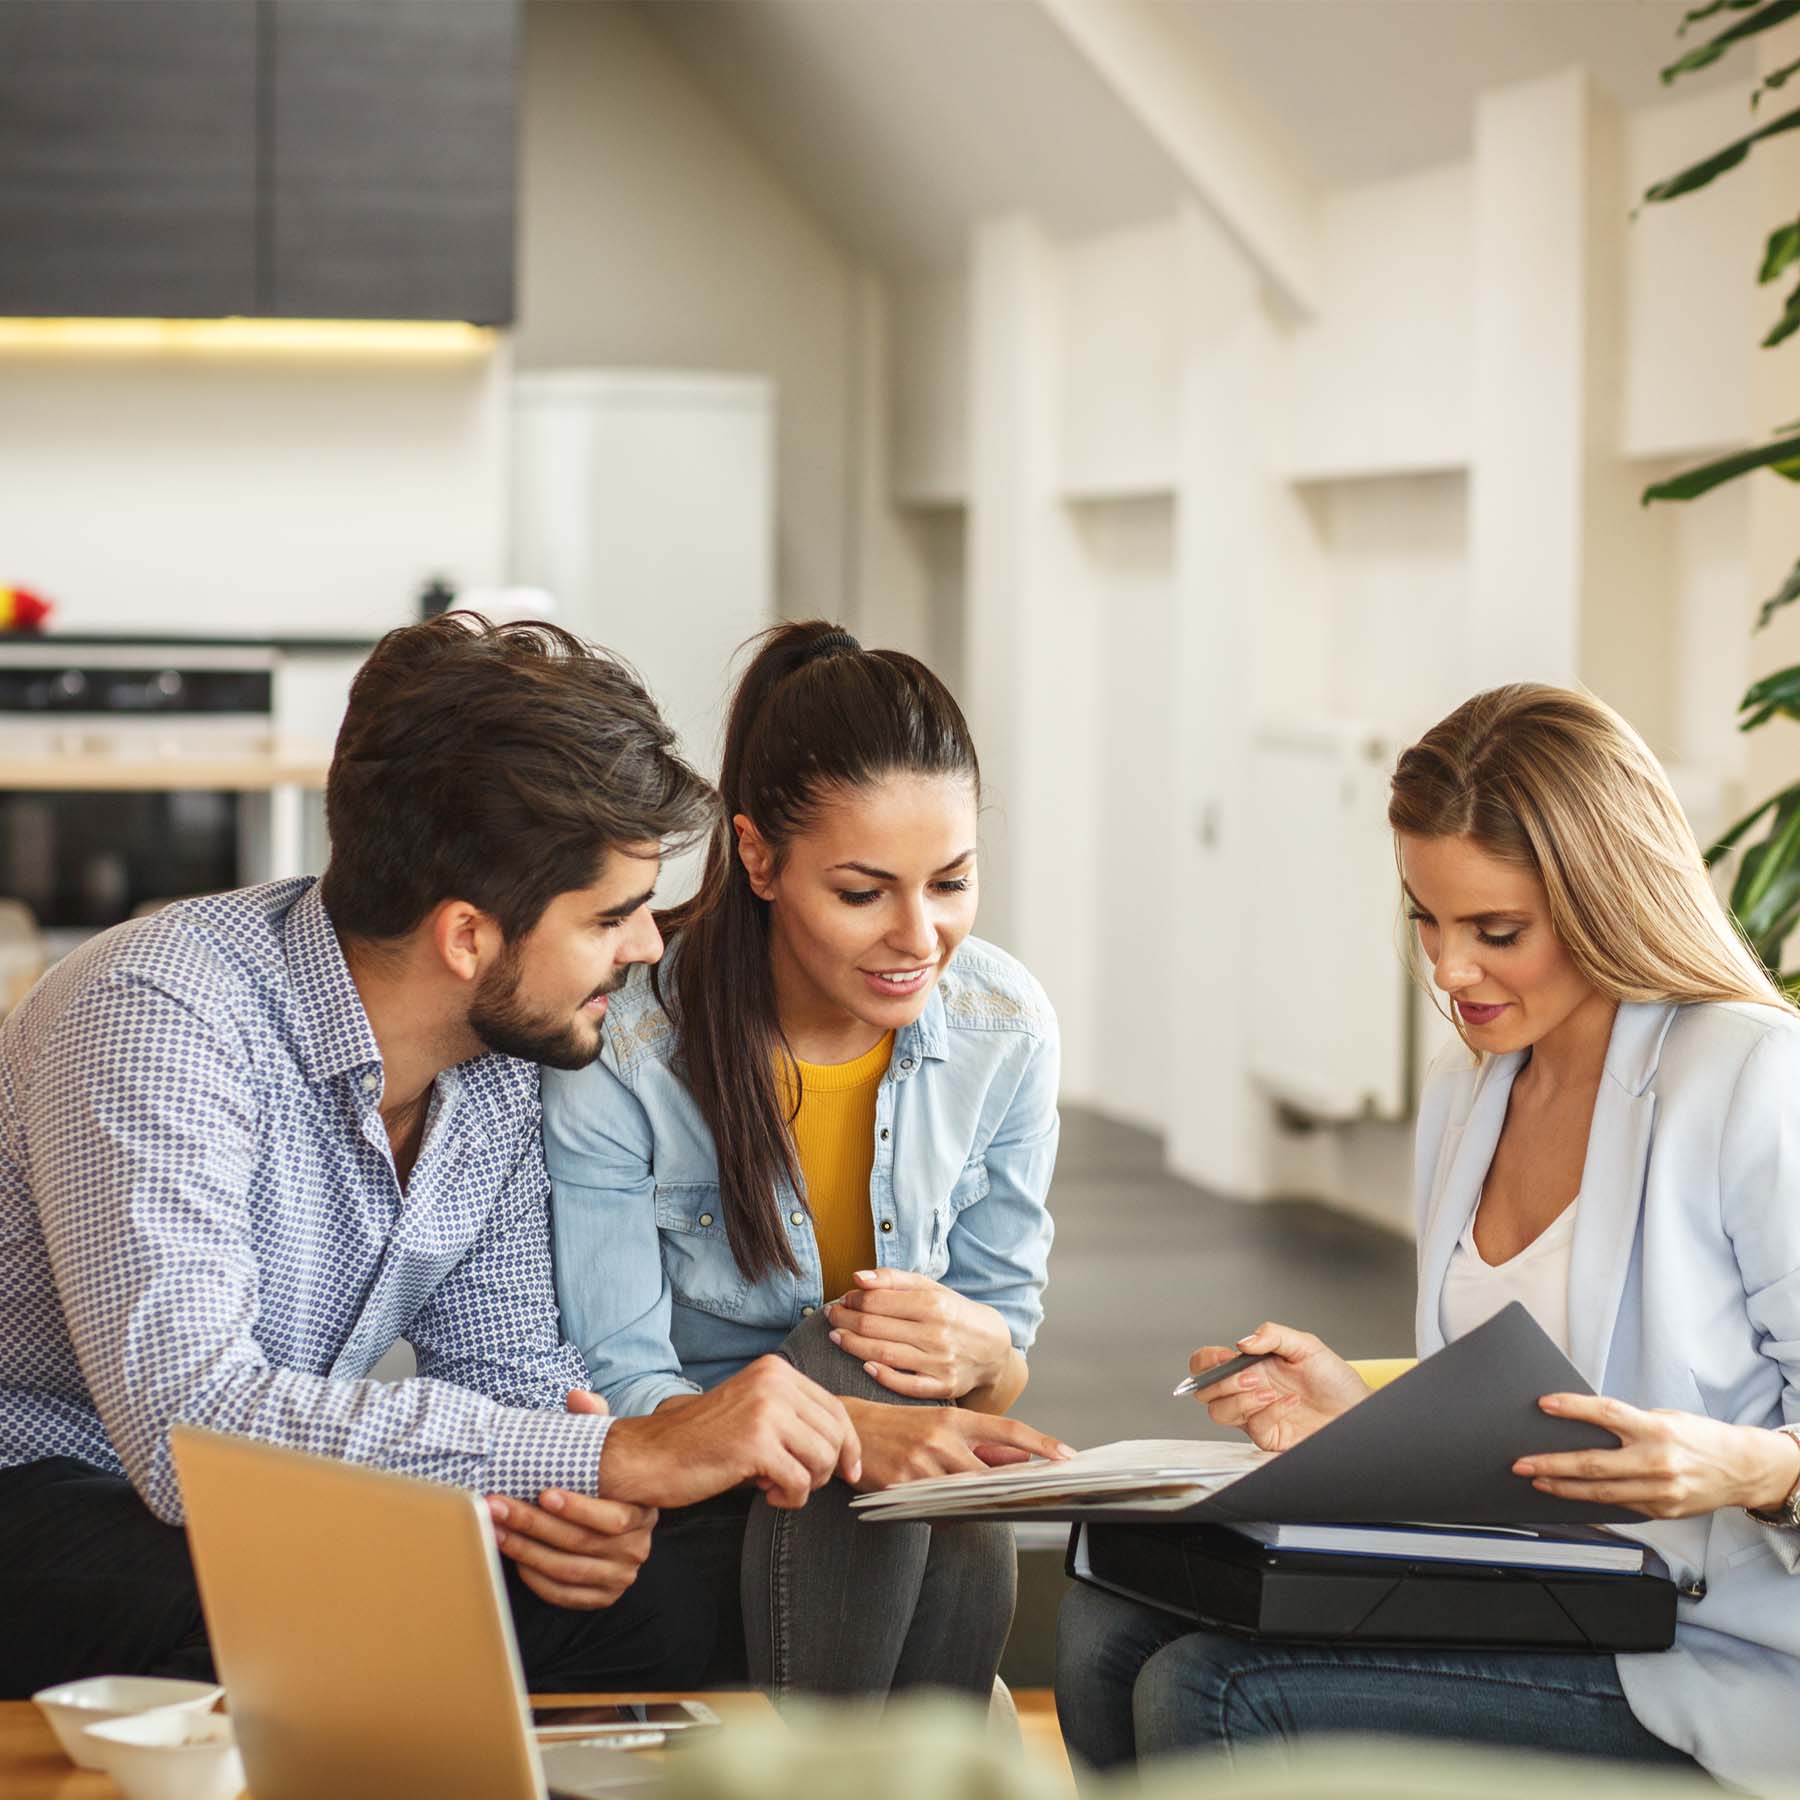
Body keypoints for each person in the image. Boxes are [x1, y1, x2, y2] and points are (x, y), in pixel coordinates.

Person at [0, 614, 865, 1701]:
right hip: (43, 1484)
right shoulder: (158, 1012)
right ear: (468, 936)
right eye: (612, 917)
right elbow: (192, 1430)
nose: (646, 948)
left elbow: (505, 1371)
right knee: (297, 1595)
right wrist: (609, 1459)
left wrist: (572, 1510)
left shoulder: (498, 1060)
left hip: (243, 1503)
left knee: (640, 1607)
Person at [1056, 684, 1800, 1795]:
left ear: (1605, 899)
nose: (1450, 973)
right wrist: (1359, 1418)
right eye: (1426, 918)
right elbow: (1524, 1419)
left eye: (1497, 932)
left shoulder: (1749, 1078)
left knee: (1211, 1691)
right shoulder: (1470, 1097)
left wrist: (1750, 1465)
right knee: (1106, 1624)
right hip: (1543, 1602)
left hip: (1718, 1658)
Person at [543, 621, 1070, 1702]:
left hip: (900, 1508)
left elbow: (1001, 1361)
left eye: (953, 883)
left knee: (928, 1433)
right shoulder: (631, 1048)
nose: (920, 936)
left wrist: (978, 1353)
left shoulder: (1004, 1027)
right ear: (758, 857)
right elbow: (622, 1385)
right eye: (864, 892)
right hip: (701, 1499)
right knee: (844, 1362)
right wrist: (848, 1427)